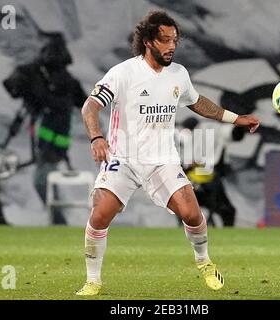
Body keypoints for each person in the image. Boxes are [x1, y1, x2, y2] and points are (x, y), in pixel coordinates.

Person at [77, 10, 260, 296]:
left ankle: (204, 262)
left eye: (174, 39)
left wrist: (236, 118)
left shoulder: (179, 74)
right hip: (123, 159)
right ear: (148, 41)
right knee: (100, 214)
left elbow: (198, 103)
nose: (172, 46)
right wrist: (96, 137)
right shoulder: (123, 73)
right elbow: (90, 107)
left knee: (192, 213)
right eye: (165, 40)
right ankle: (92, 280)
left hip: (162, 160)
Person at [3, 33, 87, 224]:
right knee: (44, 178)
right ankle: (58, 220)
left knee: (42, 179)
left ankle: (58, 221)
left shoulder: (62, 84)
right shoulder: (44, 78)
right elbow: (12, 87)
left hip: (52, 141)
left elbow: (83, 102)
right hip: (51, 141)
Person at [178, 117, 243, 227]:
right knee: (184, 208)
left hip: (206, 180)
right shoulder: (183, 140)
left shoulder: (206, 129)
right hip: (196, 181)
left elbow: (233, 133)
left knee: (227, 211)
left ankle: (227, 237)